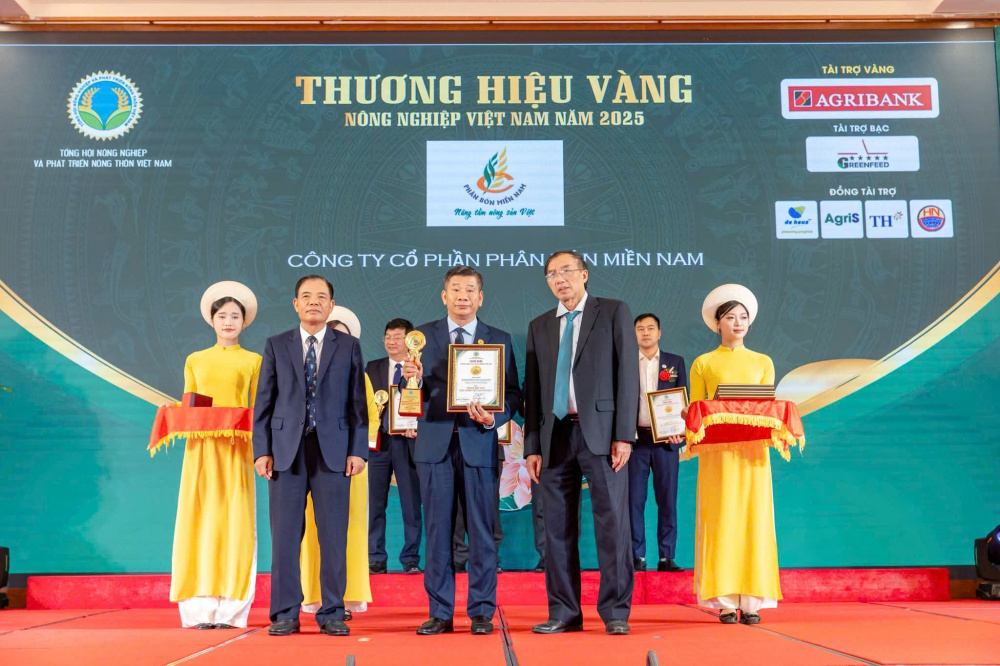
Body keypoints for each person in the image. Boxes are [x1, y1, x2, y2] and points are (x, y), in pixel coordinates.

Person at [524, 251, 638, 636]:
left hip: (603, 436)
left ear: (584, 274)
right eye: (552, 274)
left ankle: (615, 611)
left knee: (612, 525)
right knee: (555, 529)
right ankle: (564, 612)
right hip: (554, 436)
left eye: (567, 271)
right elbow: (533, 391)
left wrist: (624, 435)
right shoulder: (539, 325)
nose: (560, 279)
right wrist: (532, 446)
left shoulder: (613, 312)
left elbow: (628, 375)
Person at [401, 265, 520, 636]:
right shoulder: (421, 337)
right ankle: (440, 612)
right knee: (438, 531)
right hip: (434, 446)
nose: (463, 296)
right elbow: (408, 395)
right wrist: (409, 380)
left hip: (478, 444)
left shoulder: (498, 338)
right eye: (455, 289)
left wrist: (494, 417)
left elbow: (513, 393)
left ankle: (482, 611)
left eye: (470, 289)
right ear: (444, 296)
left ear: (480, 298)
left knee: (482, 531)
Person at [253, 275, 368, 637]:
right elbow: (264, 401)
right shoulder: (276, 344)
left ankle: (332, 611)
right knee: (285, 536)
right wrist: (262, 450)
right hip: (285, 451)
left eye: (321, 297)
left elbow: (358, 404)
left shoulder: (348, 346)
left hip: (333, 451)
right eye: (306, 296)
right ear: (296, 304)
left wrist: (358, 450)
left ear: (331, 305)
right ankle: (285, 612)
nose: (313, 302)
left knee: (333, 536)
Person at [170, 281, 261, 629]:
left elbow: (259, 408)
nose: (228, 322)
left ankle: (232, 610)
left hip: (236, 450)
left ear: (244, 322)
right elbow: (189, 403)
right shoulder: (195, 359)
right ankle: (198, 609)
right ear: (212, 320)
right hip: (201, 450)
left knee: (235, 520)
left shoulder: (253, 361)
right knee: (199, 519)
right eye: (222, 316)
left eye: (235, 316)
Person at [688, 284, 780, 625]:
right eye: (730, 317)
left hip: (754, 454)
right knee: (721, 519)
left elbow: (767, 408)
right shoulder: (703, 363)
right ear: (717, 324)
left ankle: (752, 602)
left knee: (754, 519)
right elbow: (695, 409)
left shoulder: (763, 362)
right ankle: (725, 601)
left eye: (743, 317)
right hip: (718, 455)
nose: (737, 323)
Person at [299, 306, 377, 619]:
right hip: (312, 463)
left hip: (349, 465)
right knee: (313, 529)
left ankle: (346, 596)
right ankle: (314, 596)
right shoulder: (304, 373)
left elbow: (370, 419)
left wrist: (354, 452)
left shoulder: (360, 377)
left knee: (350, 529)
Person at [366, 318, 423, 575]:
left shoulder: (419, 368)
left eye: (397, 337)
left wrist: (417, 425)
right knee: (375, 503)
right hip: (378, 443)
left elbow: (427, 401)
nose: (391, 342)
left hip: (407, 441)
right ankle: (375, 557)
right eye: (387, 337)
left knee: (411, 502)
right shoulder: (372, 367)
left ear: (410, 341)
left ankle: (410, 558)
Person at [630, 313, 686, 573]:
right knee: (634, 501)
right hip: (635, 442)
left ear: (659, 333)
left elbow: (683, 401)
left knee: (667, 499)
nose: (645, 333)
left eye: (650, 328)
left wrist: (680, 431)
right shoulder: (625, 362)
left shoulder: (674, 362)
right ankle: (636, 555)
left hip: (666, 441)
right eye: (640, 328)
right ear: (634, 333)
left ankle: (667, 556)